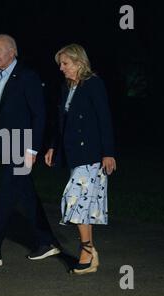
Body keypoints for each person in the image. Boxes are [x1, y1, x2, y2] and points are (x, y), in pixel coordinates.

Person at [0, 34, 61, 267]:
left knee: (6, 195)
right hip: (5, 145)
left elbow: (39, 114)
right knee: (26, 195)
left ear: (13, 52)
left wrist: (32, 150)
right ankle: (46, 242)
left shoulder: (27, 77)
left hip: (22, 146)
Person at [45, 44, 116, 275]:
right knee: (84, 206)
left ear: (78, 62)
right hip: (74, 154)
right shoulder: (67, 87)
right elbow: (61, 123)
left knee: (74, 201)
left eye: (65, 63)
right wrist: (53, 148)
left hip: (92, 154)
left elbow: (104, 118)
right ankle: (90, 252)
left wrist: (108, 152)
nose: (61, 68)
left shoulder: (93, 83)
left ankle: (87, 250)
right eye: (60, 64)